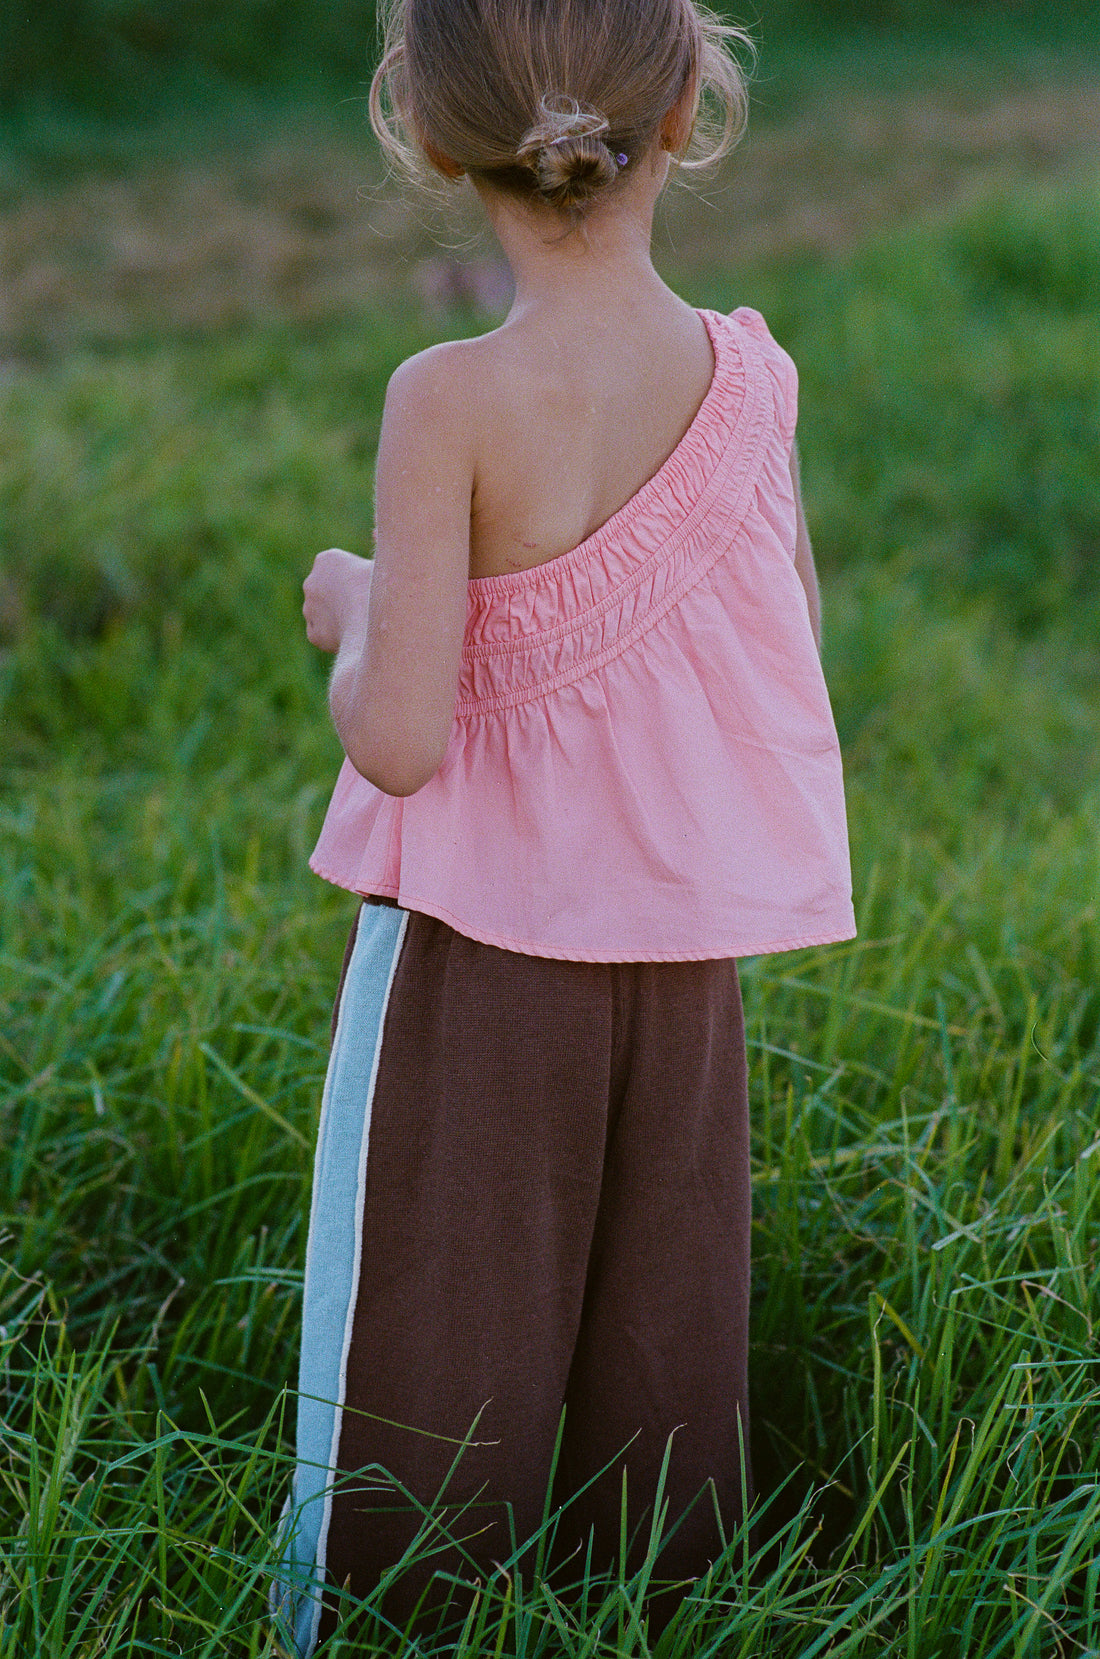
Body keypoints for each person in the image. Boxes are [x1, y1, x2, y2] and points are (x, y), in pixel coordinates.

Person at [272, 0, 855, 1650]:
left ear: (435, 139)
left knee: (431, 1335)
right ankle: (657, 1617)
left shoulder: (449, 394)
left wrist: (361, 612)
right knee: (661, 1325)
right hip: (685, 964)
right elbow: (784, 645)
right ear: (686, 112)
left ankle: (397, 1627)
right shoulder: (752, 373)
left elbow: (398, 740)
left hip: (480, 965)